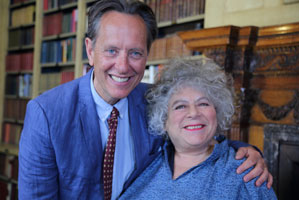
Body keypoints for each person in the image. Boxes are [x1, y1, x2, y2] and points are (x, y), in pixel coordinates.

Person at [18, 0, 272, 199]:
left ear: (147, 55)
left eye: (135, 53)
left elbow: (192, 133)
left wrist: (244, 150)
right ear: (89, 50)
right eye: (111, 50)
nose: (123, 65)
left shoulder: (155, 99)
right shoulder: (46, 114)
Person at [119, 58, 277, 199]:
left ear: (217, 112)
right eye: (180, 106)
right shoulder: (148, 161)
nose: (193, 113)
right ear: (163, 120)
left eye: (203, 103)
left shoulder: (247, 172)